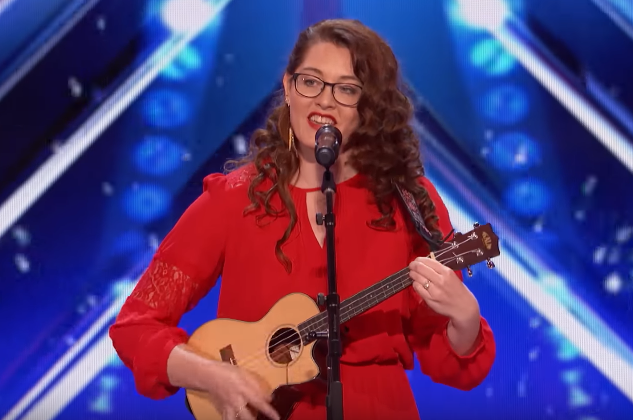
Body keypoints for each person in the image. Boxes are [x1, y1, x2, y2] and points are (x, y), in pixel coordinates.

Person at [109, 19, 496, 420]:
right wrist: (212, 375)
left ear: (370, 106)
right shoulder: (234, 199)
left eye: (346, 89)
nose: (324, 101)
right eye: (311, 82)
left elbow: (447, 361)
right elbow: (135, 328)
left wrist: (465, 317)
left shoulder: (410, 200)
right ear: (289, 87)